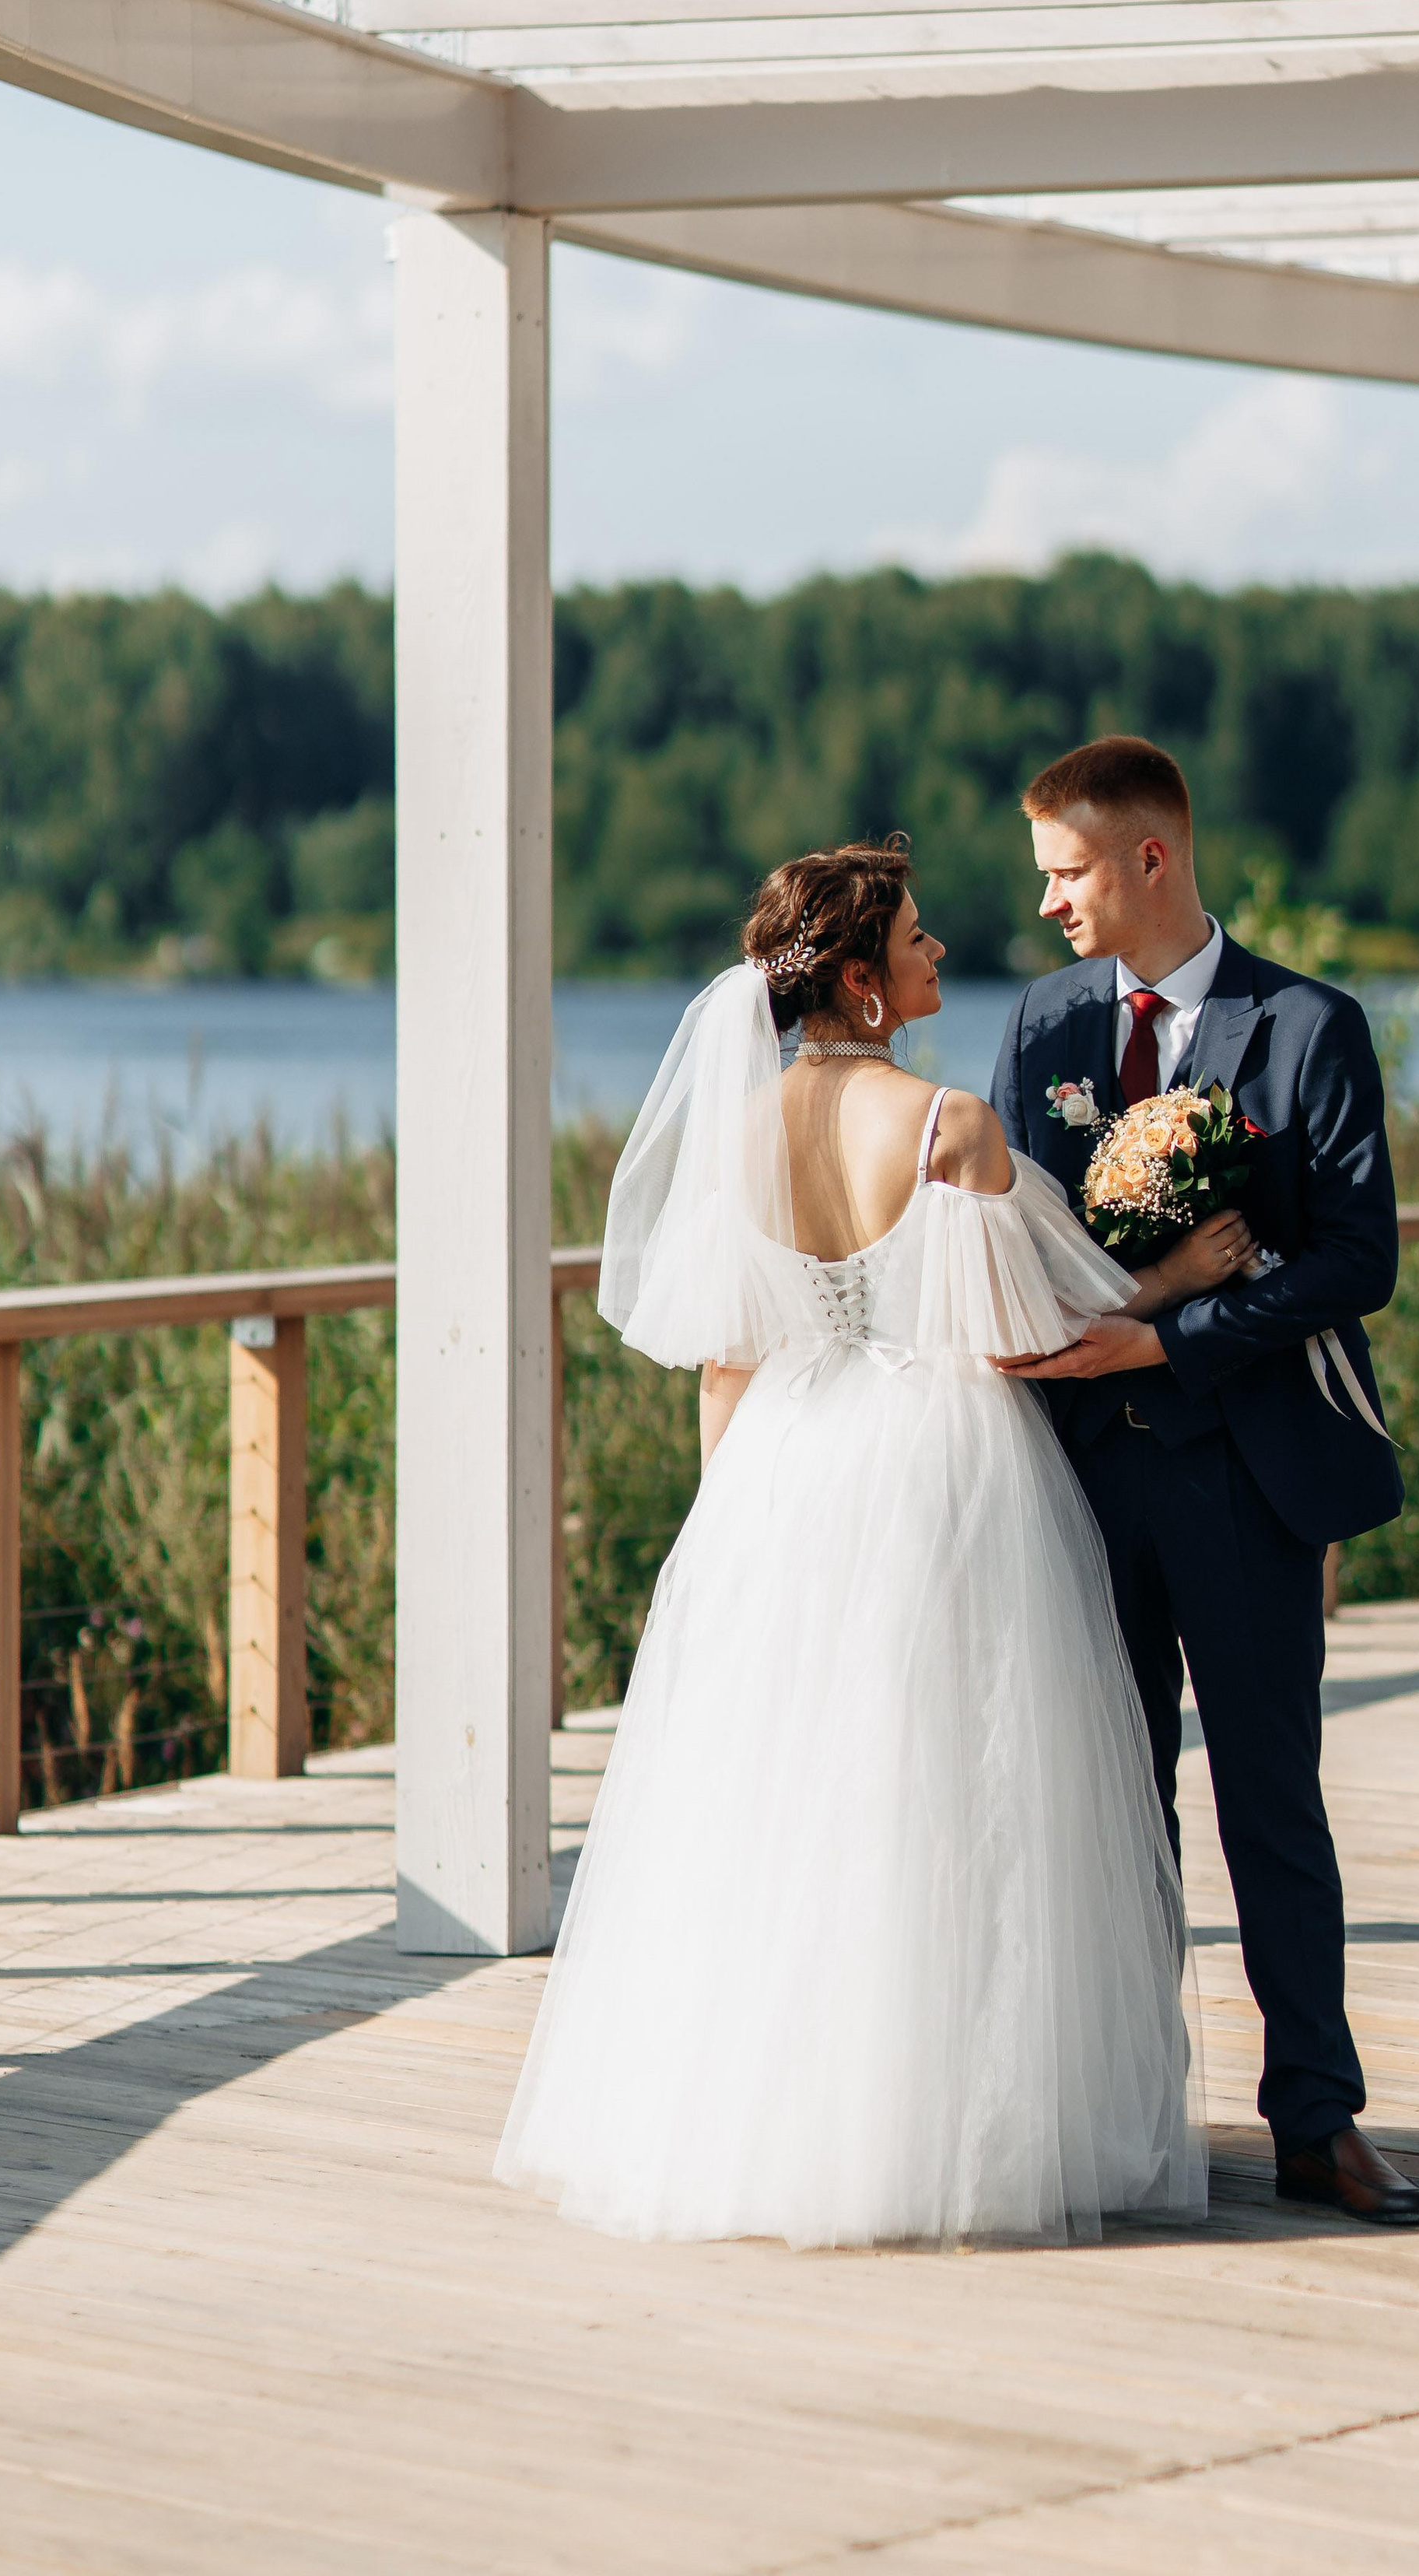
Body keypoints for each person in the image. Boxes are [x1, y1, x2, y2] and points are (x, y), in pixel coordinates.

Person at [497, 840, 1242, 2248]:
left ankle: (790, 2129)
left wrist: (714, 1550)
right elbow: (1028, 1335)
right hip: (935, 1470)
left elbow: (726, 1368)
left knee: (802, 1797)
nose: (940, 951)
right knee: (952, 1793)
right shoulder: (949, 1122)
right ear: (861, 980)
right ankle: (950, 2126)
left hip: (785, 1470)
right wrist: (1179, 1277)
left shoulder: (737, 1131)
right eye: (916, 936)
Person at [990, 737, 1419, 2230]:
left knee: (1272, 1807)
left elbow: (1354, 1260)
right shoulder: (1045, 1026)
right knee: (1111, 1811)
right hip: (1080, 1489)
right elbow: (1013, 1246)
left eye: (1066, 873)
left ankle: (1317, 2120)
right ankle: (1128, 2126)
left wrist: (1171, 1337)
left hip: (1247, 1482)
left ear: (1150, 860)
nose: (1049, 903)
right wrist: (1137, 1308)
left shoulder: (1310, 1027)